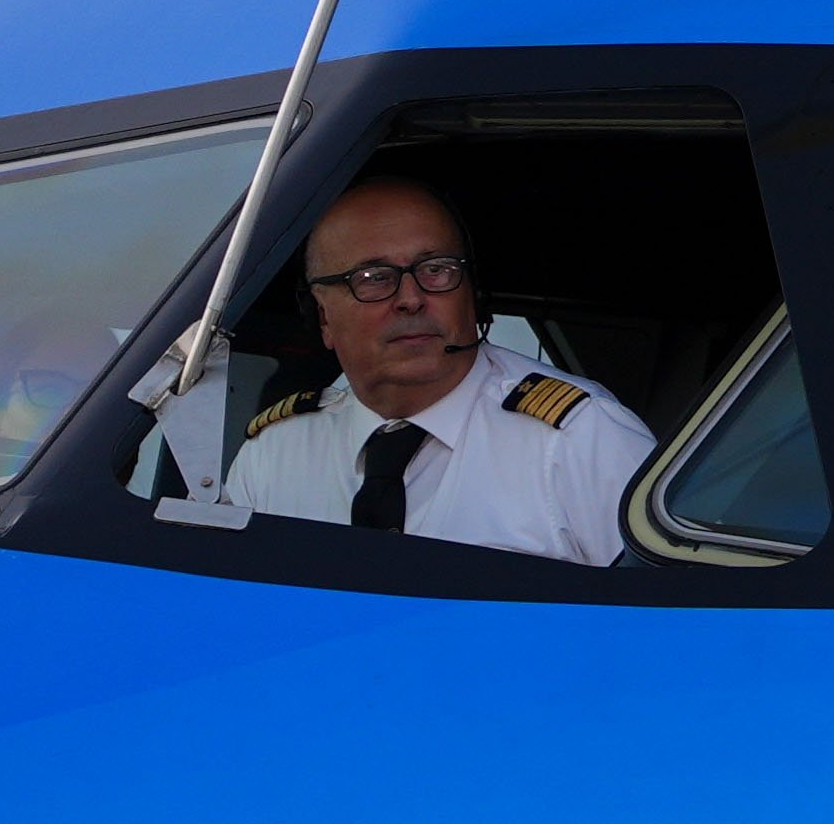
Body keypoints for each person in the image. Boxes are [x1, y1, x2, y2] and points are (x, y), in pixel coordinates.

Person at [215, 176, 654, 565]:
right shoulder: (273, 456)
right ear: (324, 317)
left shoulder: (582, 440)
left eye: (436, 270)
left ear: (471, 293)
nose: (410, 298)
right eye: (373, 277)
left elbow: (673, 629)